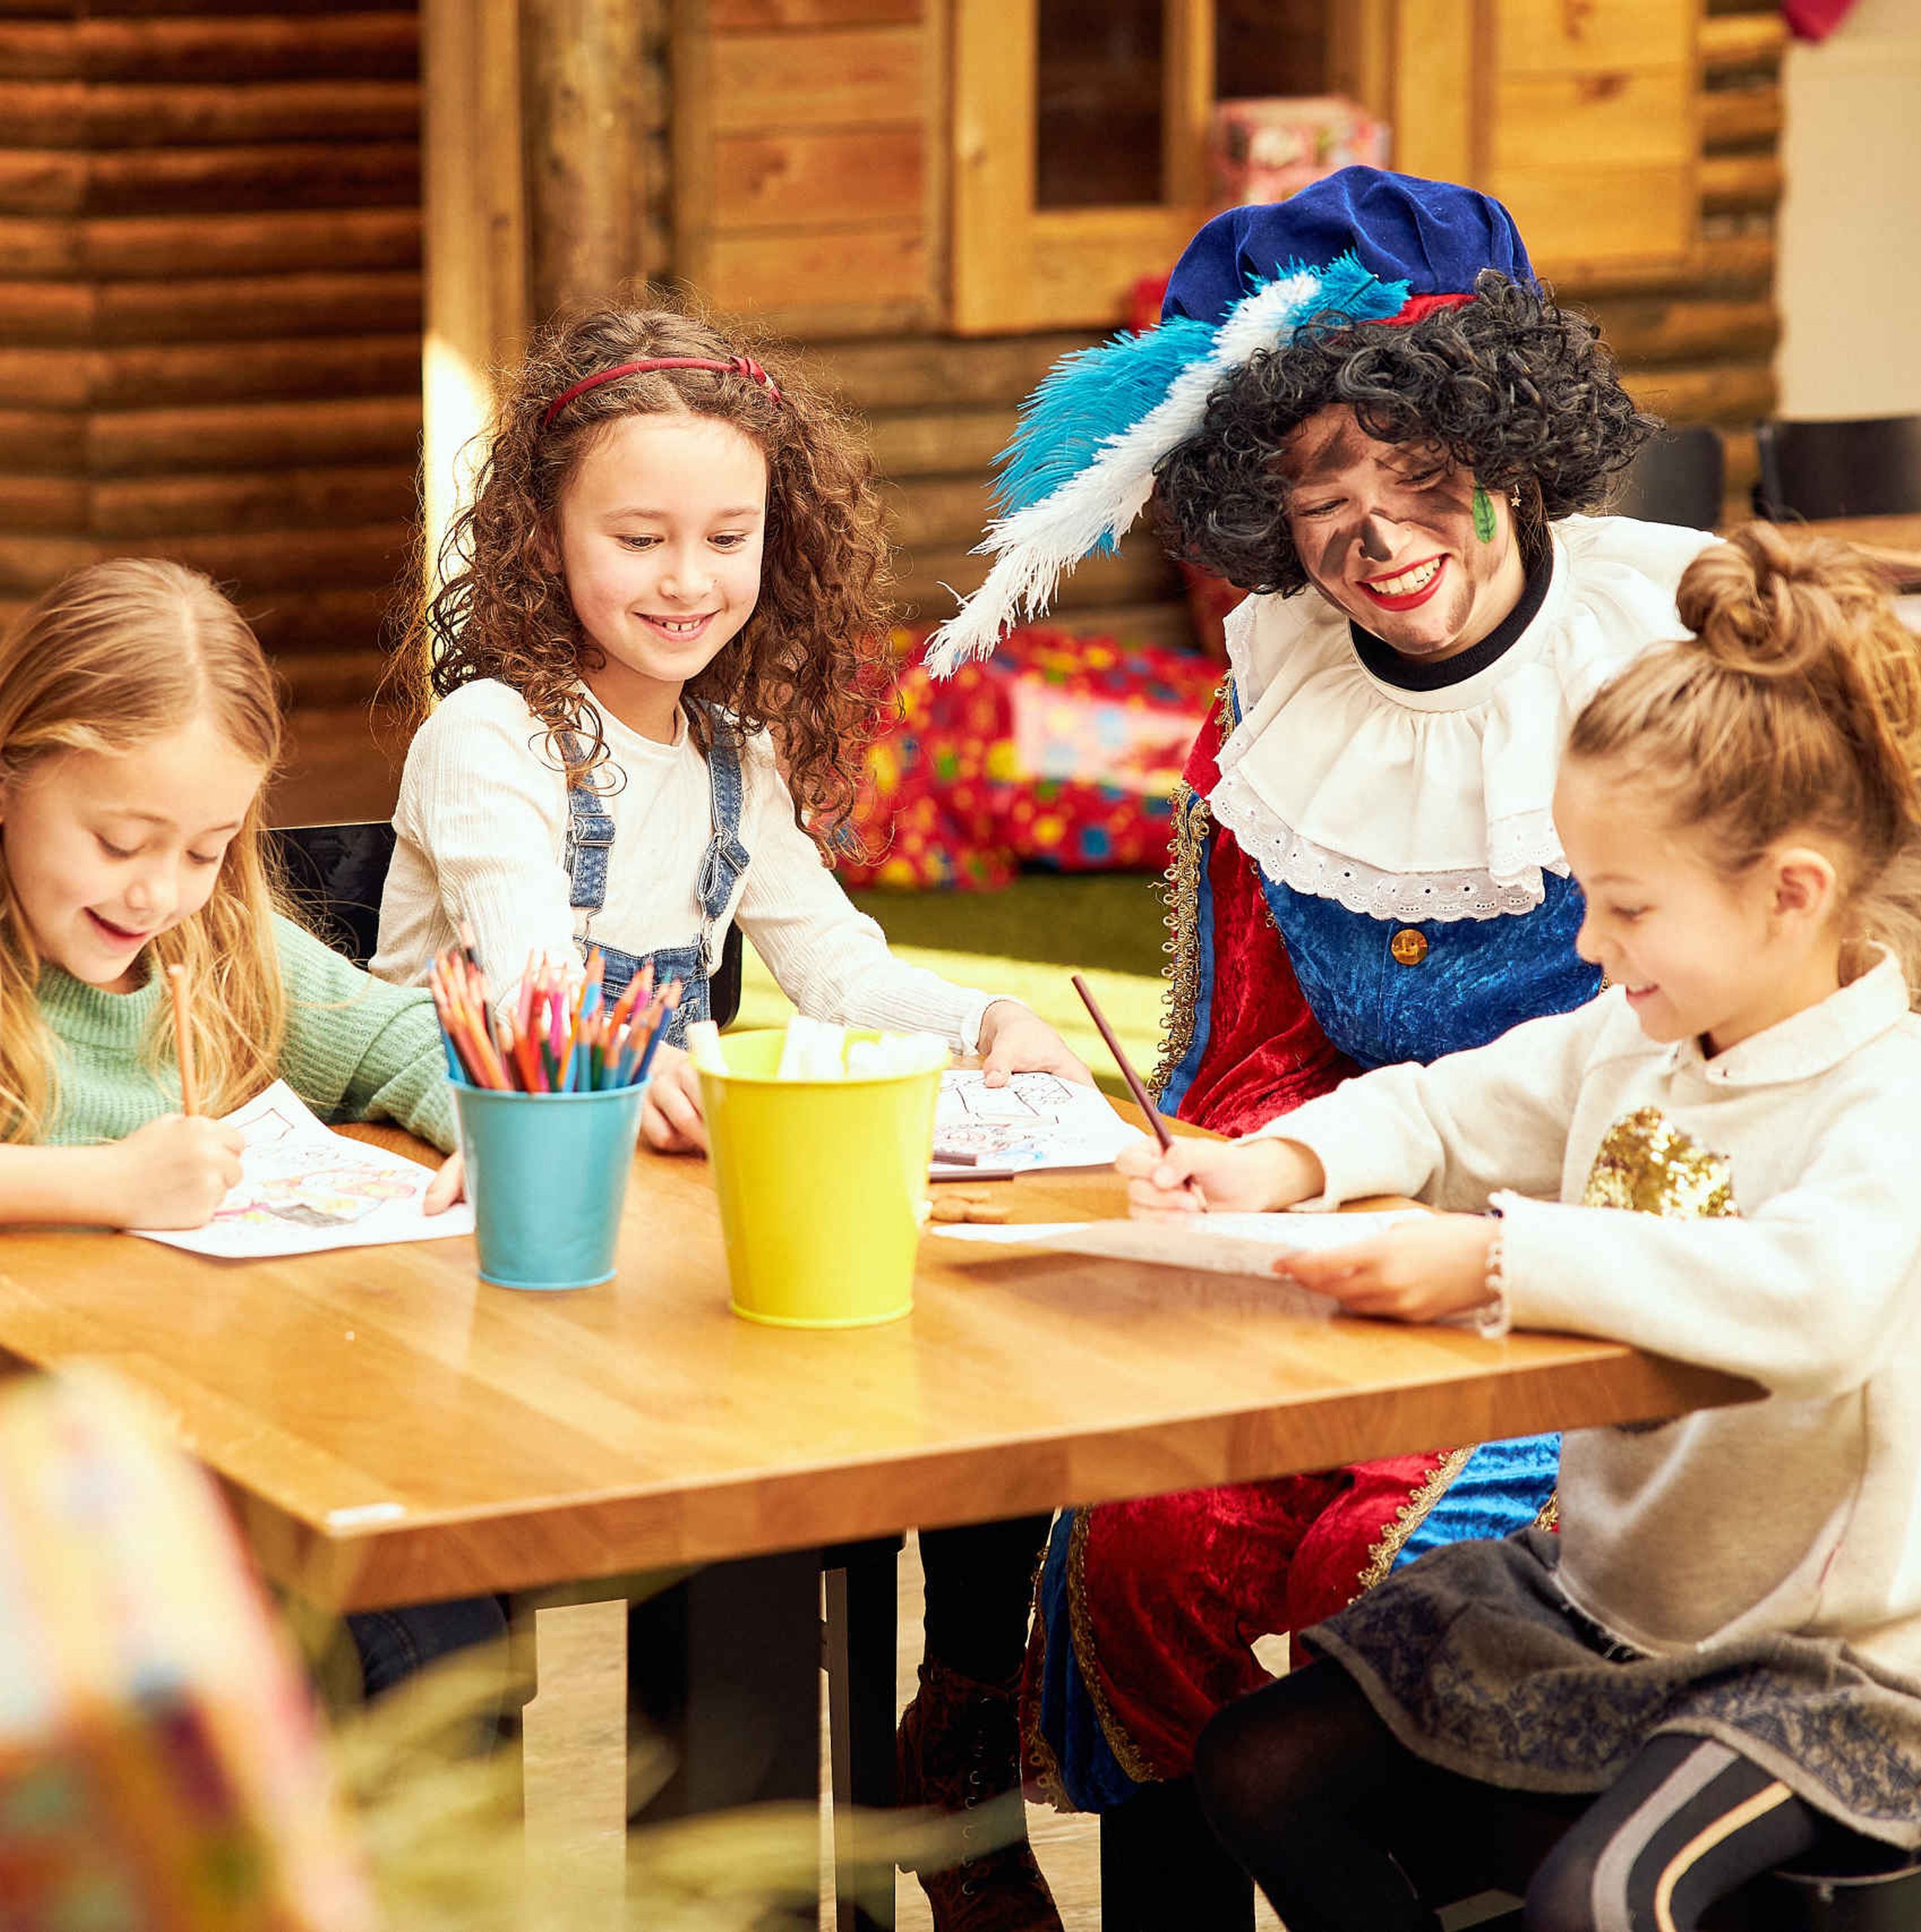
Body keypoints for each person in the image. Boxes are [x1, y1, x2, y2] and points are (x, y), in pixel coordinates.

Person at [928, 167, 1722, 1926]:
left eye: (1416, 465)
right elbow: (1259, 1052)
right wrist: (1217, 1176)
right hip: (1354, 1233)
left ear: (1508, 436)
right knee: (1145, 1531)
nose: (1374, 531)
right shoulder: (1282, 691)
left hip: (1643, 1270)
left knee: (1395, 1562)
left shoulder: (1679, 648)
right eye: (1319, 489)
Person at [372, 303, 1084, 1928]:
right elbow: (530, 976)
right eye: (638, 537)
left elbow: (830, 960)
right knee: (725, 1496)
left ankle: (935, 1748)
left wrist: (983, 1020)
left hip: (669, 1222)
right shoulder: (492, 741)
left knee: (956, 1363)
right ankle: (742, 1863)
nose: (686, 579)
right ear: (543, 540)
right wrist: (636, 1071)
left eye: (726, 536)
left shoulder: (732, 753)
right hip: (488, 1237)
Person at [1141, 525, 1921, 1930]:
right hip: (1600, 1611)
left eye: (1625, 907)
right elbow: (1442, 1110)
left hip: (1827, 1666)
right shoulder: (1629, 1035)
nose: (1586, 946)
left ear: (1792, 894)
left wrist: (1498, 1257)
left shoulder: (1892, 1097)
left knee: (1602, 1900)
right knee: (1258, 1768)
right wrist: (1288, 1162)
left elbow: (1819, 1301)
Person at [0, 557, 502, 1701]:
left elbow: (413, 1039)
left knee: (445, 1624)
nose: (158, 894)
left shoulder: (221, 958)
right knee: (384, 1652)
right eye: (120, 842)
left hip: (202, 1497)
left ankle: (355, 1875)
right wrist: (108, 1185)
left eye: (204, 851)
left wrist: (487, 1129)